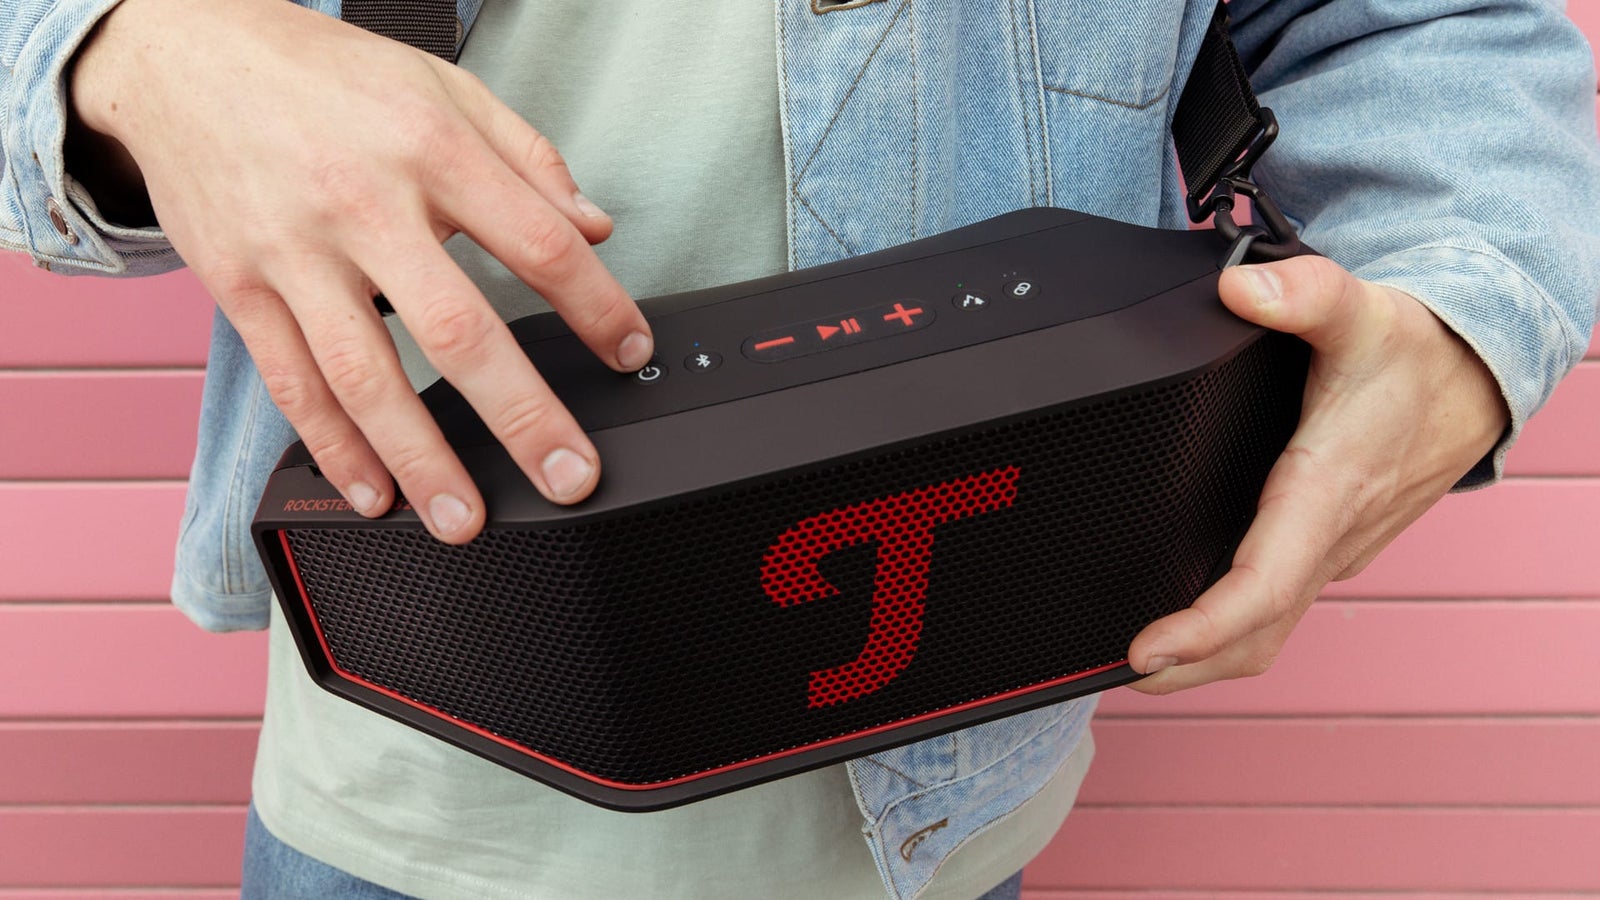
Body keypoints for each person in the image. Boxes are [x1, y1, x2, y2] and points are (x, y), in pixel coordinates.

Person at [4, 0, 1597, 897]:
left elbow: (1421, 30)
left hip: (950, 801)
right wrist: (128, 50)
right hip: (426, 773)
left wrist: (1468, 314)